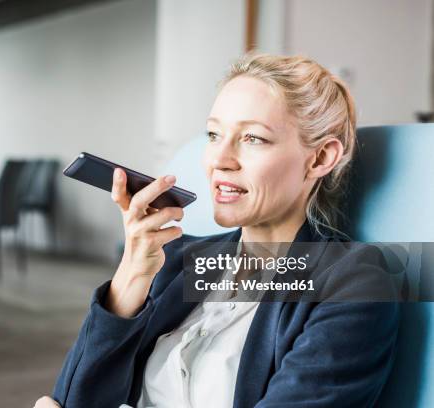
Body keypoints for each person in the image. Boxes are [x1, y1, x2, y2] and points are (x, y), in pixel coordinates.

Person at [34, 53, 399, 408]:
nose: (219, 161)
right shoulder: (177, 259)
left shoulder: (353, 282)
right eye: (213, 134)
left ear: (320, 158)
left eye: (253, 138)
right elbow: (73, 398)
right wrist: (131, 273)